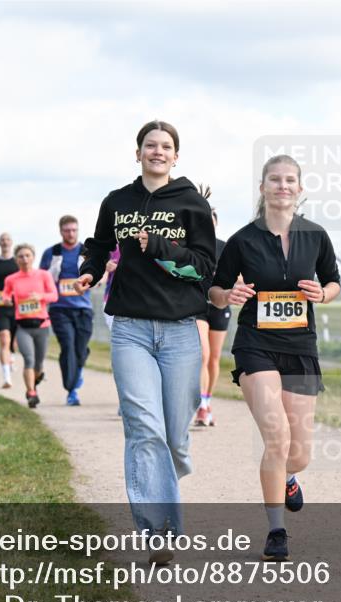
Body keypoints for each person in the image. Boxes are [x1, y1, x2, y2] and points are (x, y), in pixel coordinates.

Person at [75, 119, 216, 563]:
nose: (158, 151)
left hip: (180, 330)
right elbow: (99, 245)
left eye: (166, 146)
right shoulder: (117, 201)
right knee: (143, 428)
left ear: (176, 156)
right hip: (130, 329)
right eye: (150, 145)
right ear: (137, 153)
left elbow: (203, 267)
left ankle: (165, 476)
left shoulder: (191, 203)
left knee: (172, 437)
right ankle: (159, 532)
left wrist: (158, 246)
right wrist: (91, 271)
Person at [210, 154, 341, 562]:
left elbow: (333, 281)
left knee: (299, 454)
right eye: (275, 180)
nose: (282, 186)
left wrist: (323, 294)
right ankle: (276, 530)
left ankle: (287, 478)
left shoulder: (315, 236)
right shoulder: (242, 240)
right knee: (277, 437)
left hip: (300, 347)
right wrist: (228, 295)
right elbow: (215, 291)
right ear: (263, 187)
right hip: (256, 345)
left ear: (299, 188)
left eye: (289, 180)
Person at [41, 215, 93, 406]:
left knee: (80, 349)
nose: (71, 233)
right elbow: (42, 278)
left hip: (83, 308)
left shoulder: (86, 251)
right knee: (68, 346)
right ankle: (71, 390)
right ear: (61, 231)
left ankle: (77, 370)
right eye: (67, 230)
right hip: (60, 309)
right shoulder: (51, 253)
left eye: (74, 230)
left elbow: (98, 274)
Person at [4, 244, 59, 408]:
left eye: (28, 255)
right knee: (29, 359)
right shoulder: (11, 279)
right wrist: (6, 300)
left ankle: (35, 380)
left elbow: (54, 296)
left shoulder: (43, 275)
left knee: (39, 364)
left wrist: (40, 296)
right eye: (21, 256)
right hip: (23, 327)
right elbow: (6, 294)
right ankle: (31, 393)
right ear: (16, 259)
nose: (24, 259)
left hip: (42, 325)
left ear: (33, 257)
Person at [194, 196, 232, 427]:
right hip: (197, 306)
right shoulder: (191, 247)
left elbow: (238, 275)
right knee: (203, 355)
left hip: (220, 306)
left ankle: (207, 402)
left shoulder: (224, 247)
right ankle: (200, 406)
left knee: (214, 358)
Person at [0, 233, 20, 389]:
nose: (5, 242)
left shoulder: (17, 261)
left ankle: (12, 354)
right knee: (4, 339)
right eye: (2, 239)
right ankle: (7, 377)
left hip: (16, 305)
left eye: (7, 239)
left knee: (14, 340)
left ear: (11, 242)